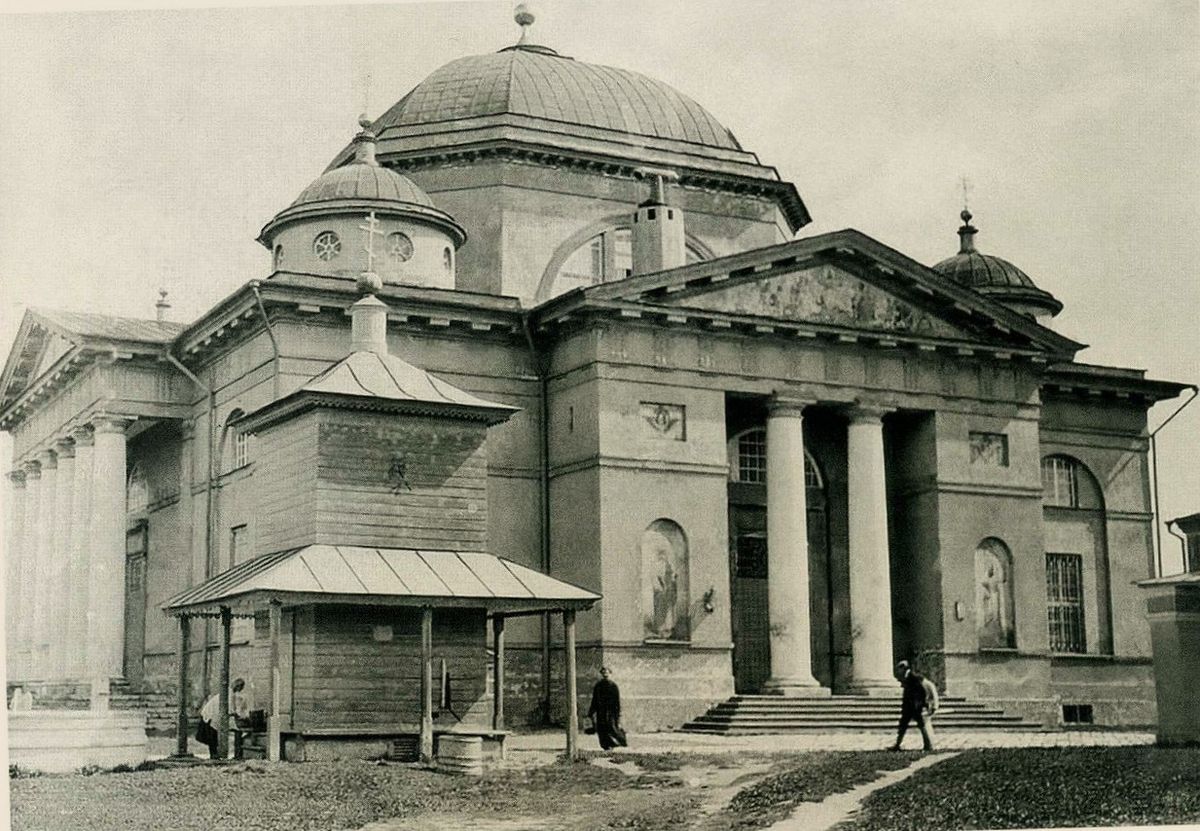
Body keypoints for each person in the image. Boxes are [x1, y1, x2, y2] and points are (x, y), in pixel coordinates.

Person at [889, 660, 936, 752]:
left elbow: (922, 691)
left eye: (899, 668)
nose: (898, 671)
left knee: (921, 726)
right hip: (908, 707)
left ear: (903, 668)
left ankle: (928, 746)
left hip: (914, 707)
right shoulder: (906, 677)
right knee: (903, 726)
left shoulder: (914, 677)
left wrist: (921, 703)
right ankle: (897, 745)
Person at [587, 666, 627, 751]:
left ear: (610, 674)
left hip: (611, 712)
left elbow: (617, 701)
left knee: (612, 728)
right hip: (601, 711)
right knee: (601, 730)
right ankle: (606, 746)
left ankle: (621, 741)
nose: (605, 674)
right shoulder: (598, 686)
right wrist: (591, 711)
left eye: (607, 673)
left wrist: (618, 713)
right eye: (603, 673)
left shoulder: (613, 686)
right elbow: (595, 700)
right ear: (601, 674)